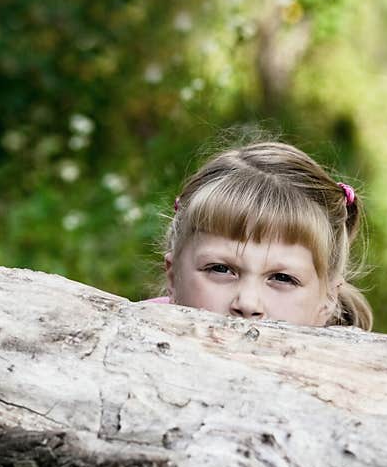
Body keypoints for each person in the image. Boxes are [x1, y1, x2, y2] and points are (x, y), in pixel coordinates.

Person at [152, 141, 372, 330]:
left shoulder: (341, 375)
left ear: (329, 300)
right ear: (173, 276)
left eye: (282, 278)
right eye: (220, 269)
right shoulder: (125, 340)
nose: (247, 304)